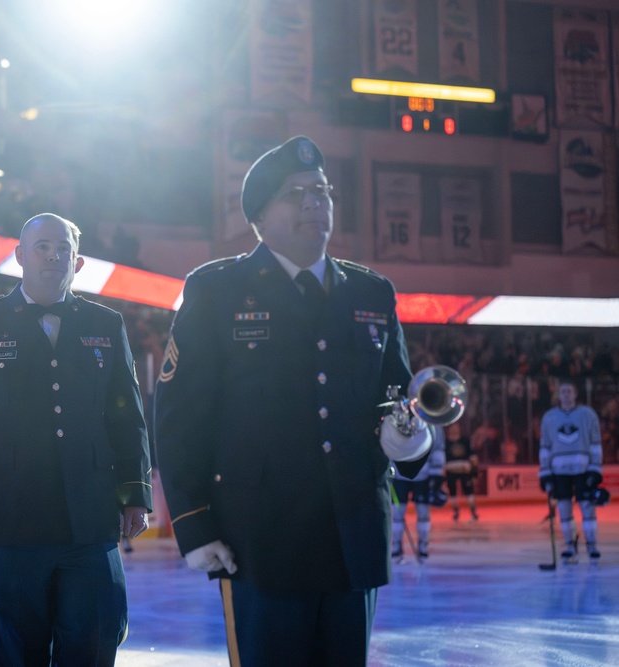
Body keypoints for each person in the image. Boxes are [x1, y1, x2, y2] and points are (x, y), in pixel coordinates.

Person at [153, 136, 434, 666]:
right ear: (259, 216)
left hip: (352, 538)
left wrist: (412, 440)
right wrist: (193, 523)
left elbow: (395, 397)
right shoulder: (218, 291)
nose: (314, 202)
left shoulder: (371, 293)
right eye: (296, 194)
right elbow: (178, 417)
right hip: (258, 543)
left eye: (322, 191)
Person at [0, 213, 152, 666]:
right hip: (11, 520)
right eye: (42, 246)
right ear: (18, 256)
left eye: (63, 249)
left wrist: (136, 493)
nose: (54, 256)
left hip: (89, 521)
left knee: (94, 642)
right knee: (16, 651)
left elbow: (127, 416)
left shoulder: (106, 325)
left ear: (79, 261)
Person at [539, 379, 604, 563]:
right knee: (564, 508)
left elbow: (595, 443)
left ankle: (592, 546)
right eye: (563, 392)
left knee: (587, 507)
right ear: (558, 396)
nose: (566, 394)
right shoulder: (549, 417)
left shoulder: (588, 415)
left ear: (575, 394)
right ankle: (570, 545)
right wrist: (545, 473)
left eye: (569, 391)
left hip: (583, 469)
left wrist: (595, 469)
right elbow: (544, 446)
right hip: (559, 471)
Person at [391, 428, 447, 561]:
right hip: (400, 476)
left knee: (422, 512)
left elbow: (437, 447)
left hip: (422, 476)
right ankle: (396, 546)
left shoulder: (431, 424)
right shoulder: (395, 419)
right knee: (398, 512)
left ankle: (423, 546)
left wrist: (436, 475)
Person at [444, 421, 480, 522]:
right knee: (452, 492)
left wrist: (474, 473)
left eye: (456, 427)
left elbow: (473, 457)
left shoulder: (466, 441)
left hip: (465, 470)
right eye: (452, 427)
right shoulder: (445, 443)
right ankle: (456, 512)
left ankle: (473, 512)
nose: (454, 429)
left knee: (469, 491)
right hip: (450, 470)